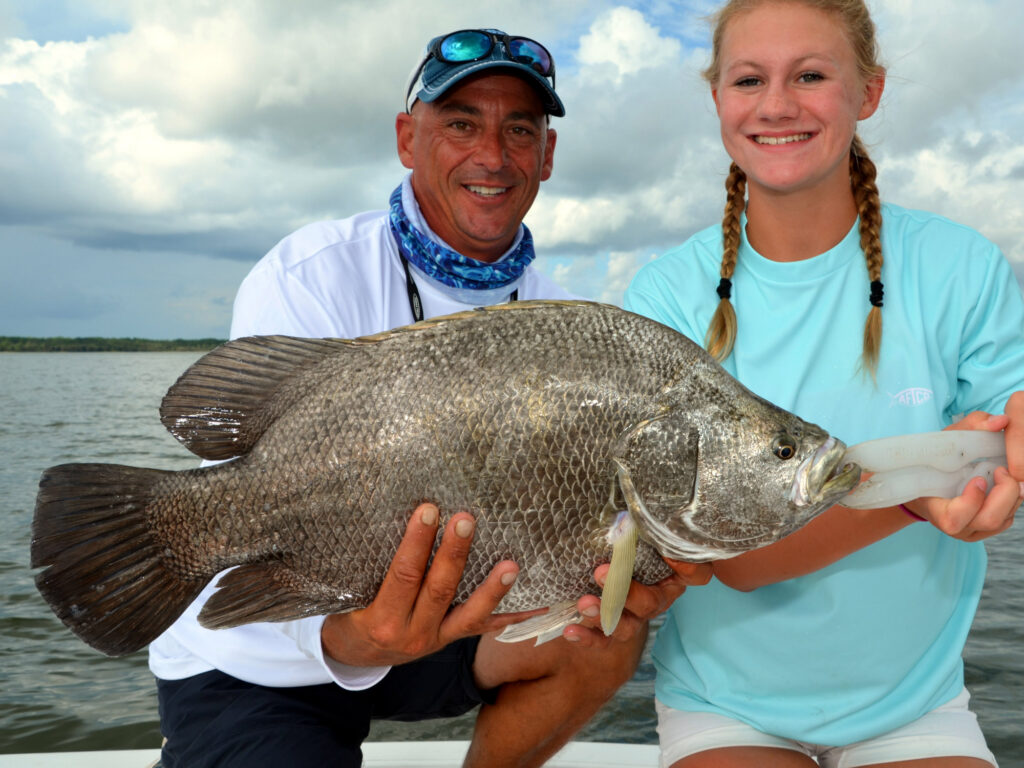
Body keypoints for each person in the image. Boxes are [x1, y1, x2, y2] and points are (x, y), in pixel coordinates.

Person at [150, 28, 711, 768]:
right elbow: (259, 467)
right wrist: (358, 638)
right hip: (270, 650)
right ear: (407, 138)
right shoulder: (311, 277)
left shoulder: (570, 326)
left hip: (456, 621)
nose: (493, 154)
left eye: (520, 128)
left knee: (605, 633)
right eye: (461, 123)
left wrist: (620, 572)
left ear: (547, 155)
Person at [623, 2, 1024, 767]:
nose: (777, 105)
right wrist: (912, 489)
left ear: (867, 93)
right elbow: (725, 556)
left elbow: (1010, 425)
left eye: (810, 75)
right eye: (749, 79)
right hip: (725, 706)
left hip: (917, 702)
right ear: (718, 99)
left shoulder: (962, 266)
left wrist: (1003, 455)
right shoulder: (665, 297)